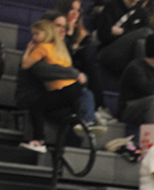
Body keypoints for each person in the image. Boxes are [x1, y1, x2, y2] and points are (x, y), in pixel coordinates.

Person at [20, 20, 104, 152]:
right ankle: (89, 119)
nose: (34, 37)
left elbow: (25, 64)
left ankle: (39, 141)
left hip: (63, 89)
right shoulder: (59, 49)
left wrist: (28, 49)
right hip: (73, 88)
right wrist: (76, 74)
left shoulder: (42, 47)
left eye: (36, 34)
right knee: (76, 107)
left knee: (36, 107)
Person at [96, 0, 152, 76]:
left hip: (128, 54)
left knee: (141, 44)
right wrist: (130, 35)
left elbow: (146, 37)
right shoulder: (112, 6)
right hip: (108, 52)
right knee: (146, 32)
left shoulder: (140, 10)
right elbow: (103, 36)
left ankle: (139, 82)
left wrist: (122, 32)